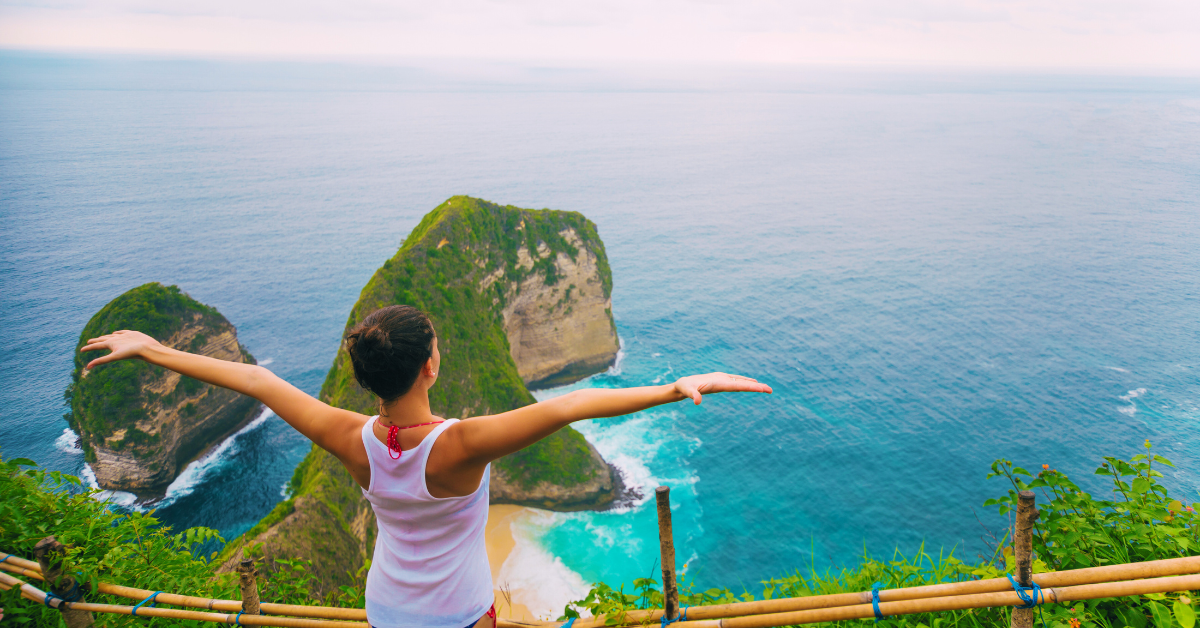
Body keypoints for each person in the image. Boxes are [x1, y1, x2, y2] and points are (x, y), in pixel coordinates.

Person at [81, 304, 772, 628]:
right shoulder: (460, 446)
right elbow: (577, 406)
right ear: (432, 364)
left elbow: (257, 382)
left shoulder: (350, 437)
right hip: (461, 615)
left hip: (385, 609)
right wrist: (678, 387)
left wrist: (153, 351)